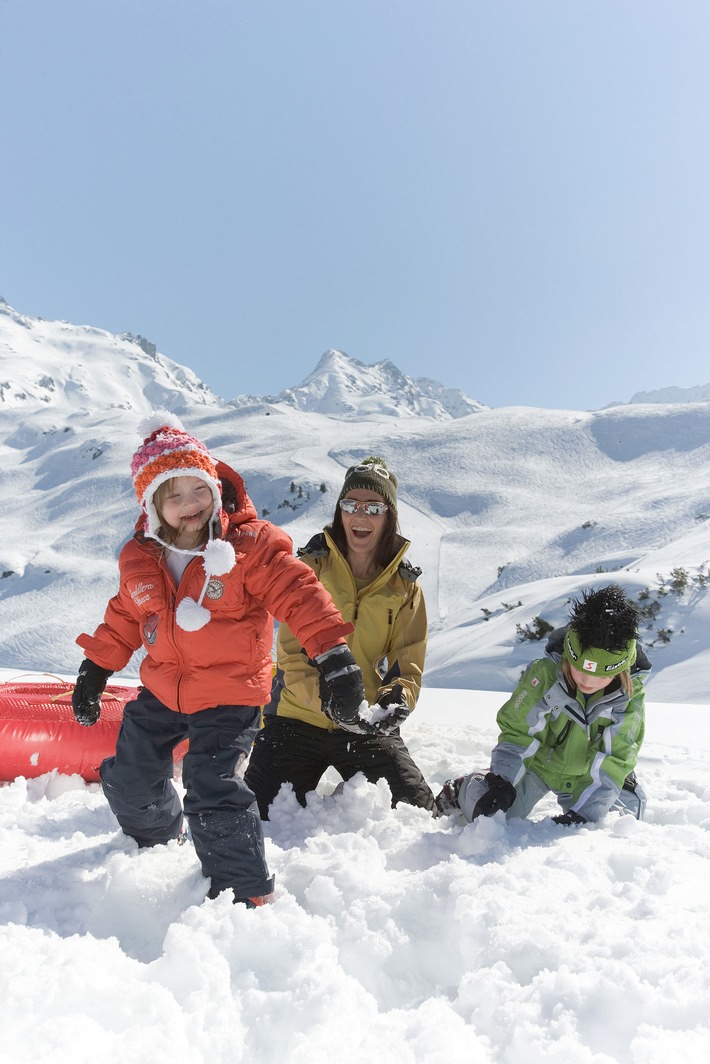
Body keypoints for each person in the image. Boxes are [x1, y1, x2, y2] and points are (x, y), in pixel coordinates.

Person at [71, 411, 368, 907]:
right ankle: (155, 838)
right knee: (129, 773)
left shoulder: (249, 546)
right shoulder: (140, 557)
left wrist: (333, 656)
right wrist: (95, 669)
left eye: (198, 489)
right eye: (172, 494)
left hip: (230, 693)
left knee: (211, 785)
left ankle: (244, 892)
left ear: (215, 486)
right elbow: (125, 614)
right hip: (165, 687)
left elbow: (300, 594)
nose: (189, 504)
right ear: (151, 505)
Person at [244, 456, 436, 817]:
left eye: (374, 507)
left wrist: (396, 699)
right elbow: (291, 659)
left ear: (389, 516)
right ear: (340, 511)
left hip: (364, 724)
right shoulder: (307, 569)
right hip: (295, 719)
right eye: (351, 505)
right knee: (256, 814)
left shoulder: (405, 588)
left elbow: (407, 664)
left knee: (418, 813)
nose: (360, 516)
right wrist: (331, 704)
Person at [436, 584, 650, 825]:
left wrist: (585, 816)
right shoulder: (545, 676)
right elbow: (518, 734)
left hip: (590, 777)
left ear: (620, 669)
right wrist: (502, 781)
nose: (588, 681)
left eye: (602, 675)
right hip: (536, 766)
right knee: (490, 812)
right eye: (580, 669)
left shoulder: (629, 696)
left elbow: (616, 757)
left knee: (618, 825)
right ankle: (467, 786)